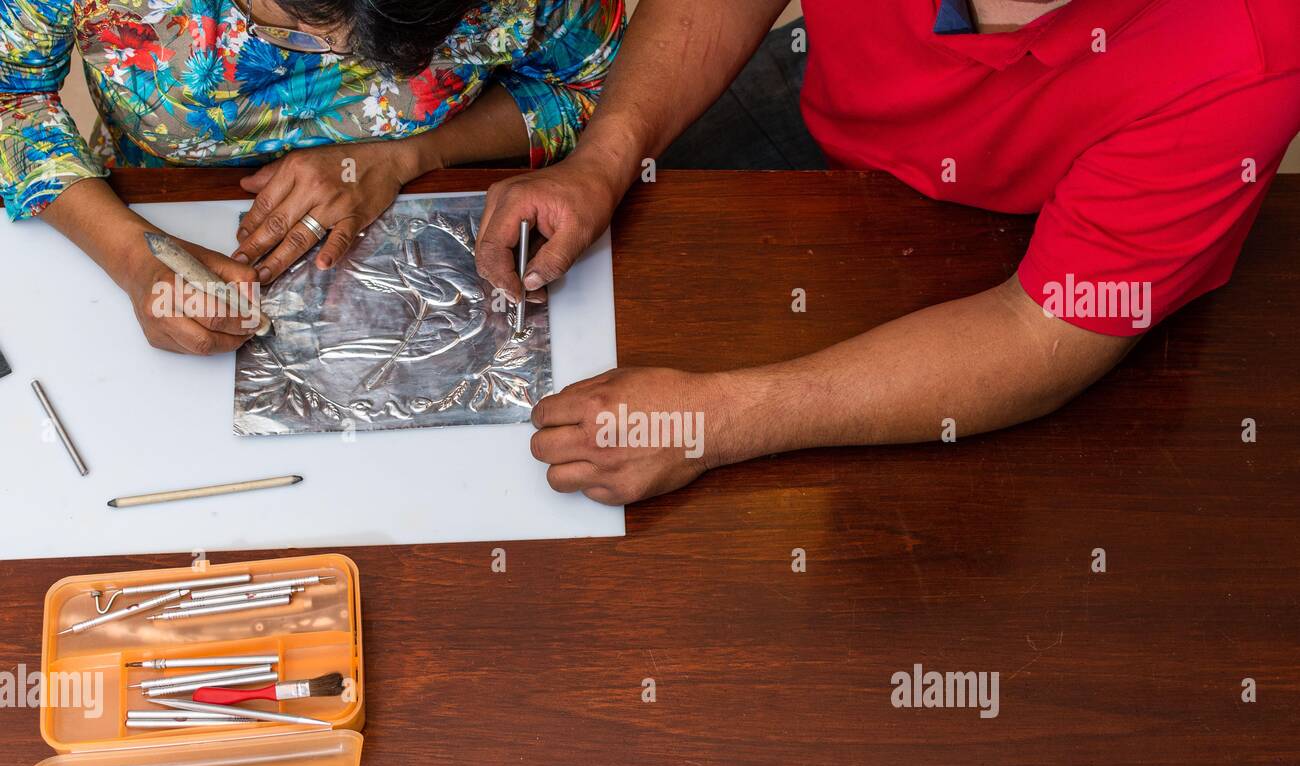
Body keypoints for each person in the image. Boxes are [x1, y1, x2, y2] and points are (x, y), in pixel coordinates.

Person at [473, 0, 1300, 506]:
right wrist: (605, 158)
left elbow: (1042, 331)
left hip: (1026, 244)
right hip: (833, 131)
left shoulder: (1256, 45)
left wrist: (713, 422)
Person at [0, 0, 623, 353]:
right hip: (142, 206)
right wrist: (133, 258)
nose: (334, 60)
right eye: (297, 28)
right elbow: (13, 98)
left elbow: (587, 86)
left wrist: (409, 155)